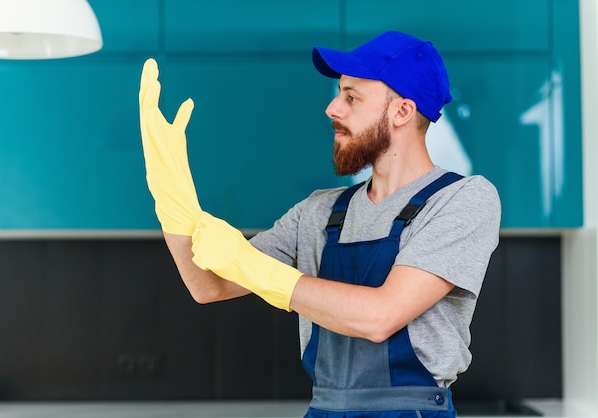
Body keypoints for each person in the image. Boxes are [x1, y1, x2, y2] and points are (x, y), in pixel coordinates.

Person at [139, 30, 501, 418]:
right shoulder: (319, 212)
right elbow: (206, 284)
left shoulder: (461, 199)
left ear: (402, 111)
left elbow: (380, 317)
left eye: (351, 97)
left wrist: (260, 270)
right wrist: (170, 193)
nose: (333, 109)